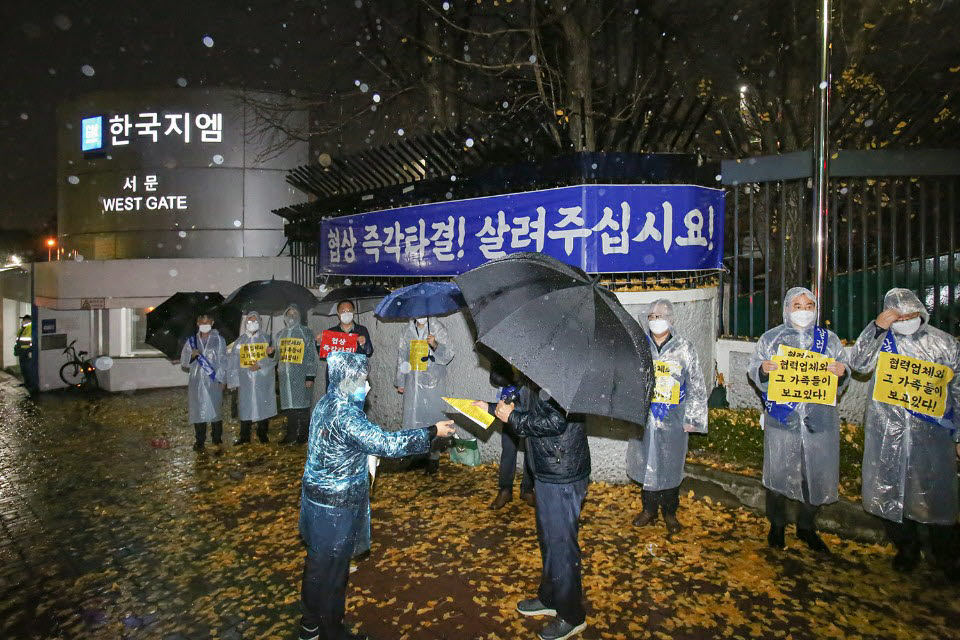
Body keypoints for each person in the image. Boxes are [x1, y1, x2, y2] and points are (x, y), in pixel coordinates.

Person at [298, 351, 455, 640]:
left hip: (316, 500)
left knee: (318, 564)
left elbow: (338, 447)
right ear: (345, 381)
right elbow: (388, 444)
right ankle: (332, 631)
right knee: (334, 571)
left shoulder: (326, 402)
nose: (367, 387)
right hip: (337, 505)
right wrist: (432, 431)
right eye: (361, 381)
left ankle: (309, 625)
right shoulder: (346, 415)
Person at [849, 288, 960, 577]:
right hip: (888, 433)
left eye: (910, 314)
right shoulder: (882, 341)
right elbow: (858, 364)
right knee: (890, 492)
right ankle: (906, 549)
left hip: (933, 435)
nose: (906, 319)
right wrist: (877, 327)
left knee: (937, 497)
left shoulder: (944, 344)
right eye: (899, 315)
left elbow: (958, 391)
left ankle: (946, 558)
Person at [481, 375, 590, 640]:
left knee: (562, 546)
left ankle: (572, 615)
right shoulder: (539, 374)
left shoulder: (564, 375)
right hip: (546, 470)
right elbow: (526, 409)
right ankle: (551, 598)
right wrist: (488, 407)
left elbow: (557, 421)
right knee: (549, 541)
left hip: (563, 474)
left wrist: (513, 419)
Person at [748, 287, 849, 553]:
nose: (803, 311)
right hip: (783, 419)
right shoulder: (772, 339)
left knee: (815, 475)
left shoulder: (829, 340)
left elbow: (843, 370)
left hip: (819, 420)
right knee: (778, 475)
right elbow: (754, 368)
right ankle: (777, 526)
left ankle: (807, 527)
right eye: (797, 306)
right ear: (786, 309)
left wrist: (842, 372)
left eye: (808, 306)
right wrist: (763, 369)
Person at [626, 299, 707, 533]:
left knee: (671, 466)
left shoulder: (684, 348)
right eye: (651, 316)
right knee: (646, 462)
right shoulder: (640, 346)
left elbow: (696, 385)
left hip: (674, 418)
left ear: (671, 320)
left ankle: (670, 512)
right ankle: (648, 510)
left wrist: (692, 417)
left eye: (661, 316)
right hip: (646, 418)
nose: (656, 320)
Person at [395, 317, 455, 475]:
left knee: (433, 419)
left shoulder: (437, 328)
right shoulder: (407, 331)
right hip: (413, 382)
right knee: (414, 418)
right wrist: (401, 380)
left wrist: (435, 345)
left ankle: (433, 458)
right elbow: (403, 356)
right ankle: (416, 456)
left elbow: (449, 354)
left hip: (432, 382)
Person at [488, 356, 535, 510]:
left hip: (529, 403)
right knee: (508, 448)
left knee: (530, 449)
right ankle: (505, 490)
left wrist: (524, 377)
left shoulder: (535, 351)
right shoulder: (504, 348)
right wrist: (510, 377)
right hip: (509, 402)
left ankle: (527, 489)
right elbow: (494, 378)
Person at [227, 311, 277, 444]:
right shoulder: (240, 341)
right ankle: (244, 435)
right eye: (249, 321)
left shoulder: (267, 339)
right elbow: (232, 363)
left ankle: (262, 434)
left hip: (262, 379)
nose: (252, 324)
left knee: (263, 405)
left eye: (255, 321)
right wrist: (233, 382)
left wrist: (262, 363)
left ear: (259, 323)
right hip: (245, 381)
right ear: (245, 323)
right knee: (245, 406)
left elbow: (274, 359)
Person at [179, 314, 227, 451]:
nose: (204, 324)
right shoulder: (191, 341)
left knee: (216, 409)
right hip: (197, 381)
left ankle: (217, 438)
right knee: (198, 409)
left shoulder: (219, 340)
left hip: (214, 379)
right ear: (197, 323)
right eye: (202, 322)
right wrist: (191, 356)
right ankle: (200, 440)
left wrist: (222, 379)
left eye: (207, 322)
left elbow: (223, 360)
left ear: (212, 322)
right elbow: (184, 362)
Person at [276, 304, 320, 444]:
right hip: (285, 379)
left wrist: (310, 376)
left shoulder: (306, 332)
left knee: (303, 407)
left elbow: (312, 356)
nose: (292, 315)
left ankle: (303, 435)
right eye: (289, 313)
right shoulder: (280, 335)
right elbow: (277, 356)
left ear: (299, 315)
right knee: (290, 409)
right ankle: (290, 435)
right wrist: (271, 353)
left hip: (301, 377)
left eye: (295, 313)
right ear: (285, 316)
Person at [14, 314, 37, 393]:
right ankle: (26, 382)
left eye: (24, 320)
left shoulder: (30, 327)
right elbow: (18, 341)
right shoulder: (22, 329)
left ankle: (31, 385)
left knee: (28, 368)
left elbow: (33, 341)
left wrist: (30, 350)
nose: (22, 321)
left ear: (28, 320)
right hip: (21, 352)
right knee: (23, 368)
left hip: (27, 351)